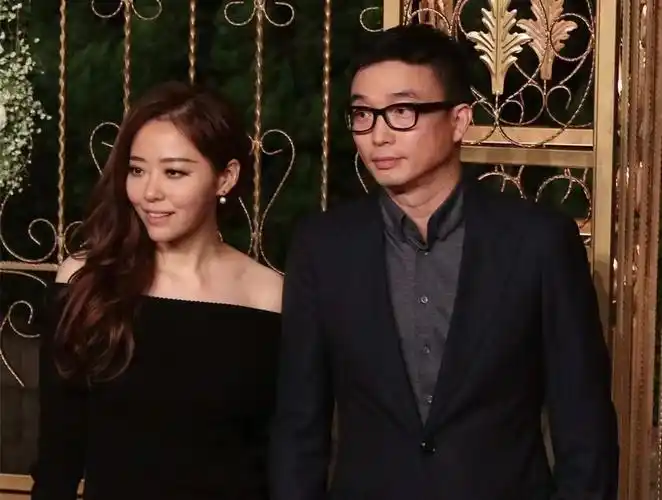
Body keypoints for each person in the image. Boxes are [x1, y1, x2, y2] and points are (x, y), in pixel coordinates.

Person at [269, 23, 618, 500]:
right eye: (363, 115)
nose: (378, 135)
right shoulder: (324, 246)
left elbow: (584, 424)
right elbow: (298, 424)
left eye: (402, 112)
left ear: (458, 121)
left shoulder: (538, 242)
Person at [31, 81, 282, 500]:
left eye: (174, 172)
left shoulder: (269, 297)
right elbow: (58, 454)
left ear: (226, 178)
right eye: (137, 170)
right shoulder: (86, 280)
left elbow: (281, 455)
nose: (149, 192)